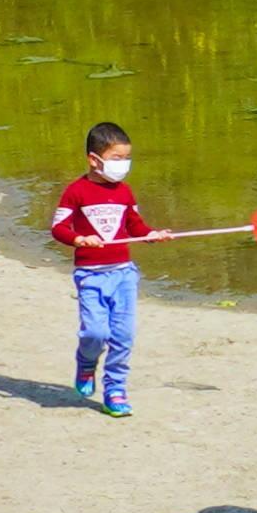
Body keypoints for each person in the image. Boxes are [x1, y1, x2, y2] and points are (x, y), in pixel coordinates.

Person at [47, 121, 151, 415]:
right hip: (91, 275)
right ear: (95, 159)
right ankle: (86, 362)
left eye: (126, 158)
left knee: (123, 335)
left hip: (123, 273)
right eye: (117, 159)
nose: (124, 165)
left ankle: (115, 389)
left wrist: (152, 234)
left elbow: (136, 226)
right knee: (95, 333)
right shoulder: (76, 192)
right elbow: (58, 228)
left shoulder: (125, 192)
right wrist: (79, 238)